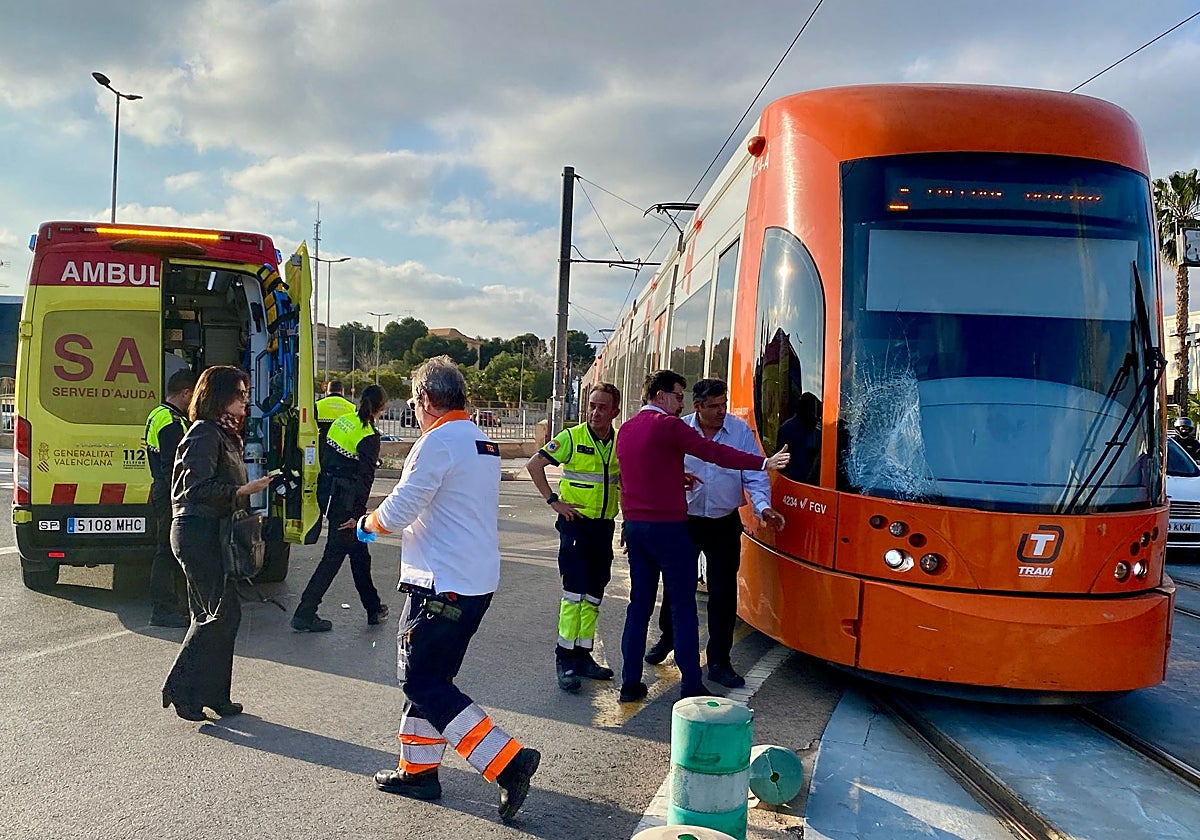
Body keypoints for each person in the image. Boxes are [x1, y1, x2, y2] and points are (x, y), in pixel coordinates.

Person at [357, 356, 540, 821]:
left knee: (420, 680)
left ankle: (509, 762)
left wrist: (367, 524)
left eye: (413, 403)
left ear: (424, 399)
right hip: (472, 582)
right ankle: (418, 772)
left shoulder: (437, 442)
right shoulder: (480, 440)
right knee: (431, 680)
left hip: (440, 585)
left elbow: (400, 510)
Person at [616, 370, 790, 702]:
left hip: (639, 527)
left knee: (639, 606)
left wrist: (674, 478)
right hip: (673, 527)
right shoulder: (670, 425)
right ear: (660, 396)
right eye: (677, 396)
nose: (680, 404)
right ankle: (691, 683)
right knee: (684, 606)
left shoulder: (626, 429)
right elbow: (714, 453)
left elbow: (635, 474)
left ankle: (630, 683)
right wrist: (764, 462)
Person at [161, 366, 272, 721]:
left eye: (246, 393)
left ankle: (214, 695)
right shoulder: (204, 433)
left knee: (219, 614)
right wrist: (241, 490)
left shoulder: (224, 434)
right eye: (239, 394)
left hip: (211, 531)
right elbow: (194, 488)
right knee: (218, 614)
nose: (245, 400)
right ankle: (181, 689)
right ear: (219, 396)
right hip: (197, 531)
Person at [526, 382, 621, 693]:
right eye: (592, 406)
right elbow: (534, 465)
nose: (595, 412)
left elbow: (625, 481)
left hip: (604, 527)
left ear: (615, 411)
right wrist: (553, 501)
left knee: (593, 594)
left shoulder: (619, 443)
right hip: (576, 526)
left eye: (602, 407)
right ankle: (565, 658)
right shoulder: (572, 437)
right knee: (574, 593)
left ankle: (583, 655)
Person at [292, 385, 390, 632]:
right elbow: (365, 478)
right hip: (347, 503)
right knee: (334, 556)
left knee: (359, 554)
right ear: (382, 407)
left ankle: (374, 608)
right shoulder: (369, 435)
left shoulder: (342, 422)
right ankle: (305, 612)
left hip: (330, 494)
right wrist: (357, 515)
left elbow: (324, 456)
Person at [145, 369, 196, 628]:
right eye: (194, 396)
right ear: (186, 393)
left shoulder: (158, 414)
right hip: (170, 492)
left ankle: (172, 606)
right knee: (167, 551)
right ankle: (163, 610)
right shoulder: (171, 422)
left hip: (162, 489)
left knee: (168, 550)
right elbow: (172, 466)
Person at [308, 380, 359, 544]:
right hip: (341, 456)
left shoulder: (318, 405)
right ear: (342, 391)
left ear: (327, 391)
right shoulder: (351, 407)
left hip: (321, 452)